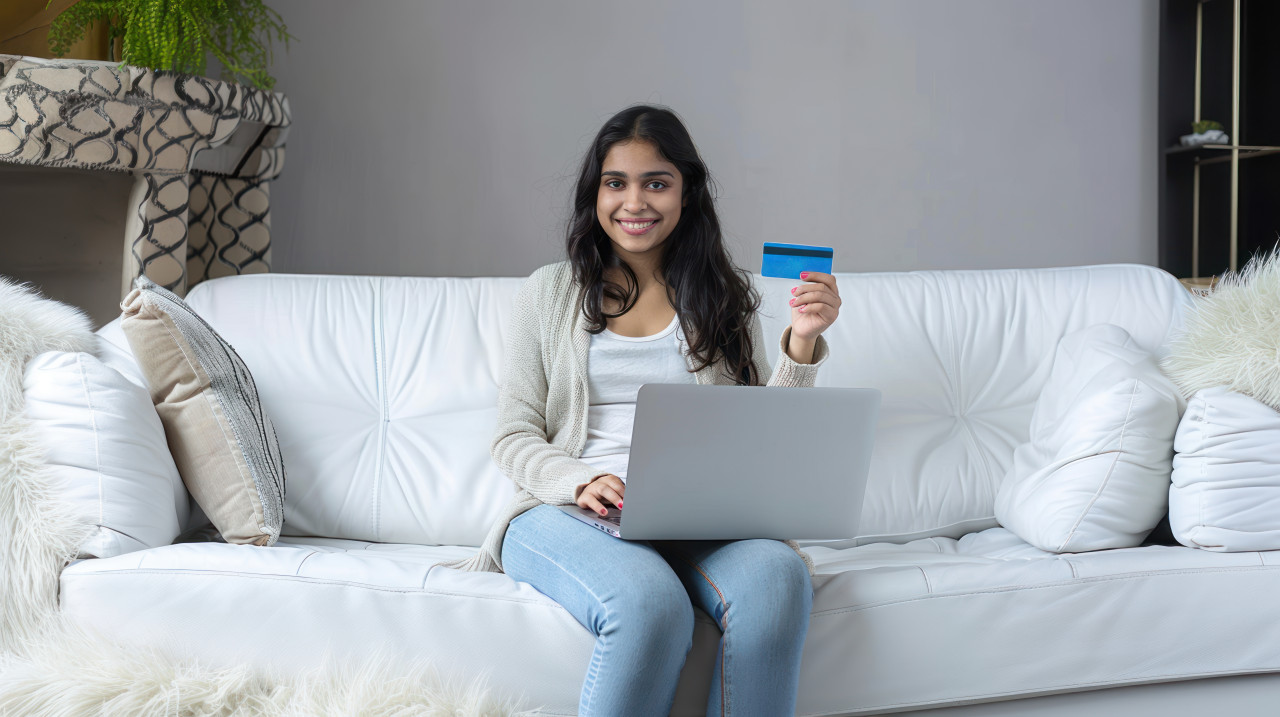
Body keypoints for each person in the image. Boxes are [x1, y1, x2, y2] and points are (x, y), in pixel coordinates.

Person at [435, 104, 841, 716]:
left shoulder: (722, 294)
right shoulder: (550, 291)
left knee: (779, 578)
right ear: (594, 194)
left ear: (685, 192)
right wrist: (581, 479)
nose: (635, 202)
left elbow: (763, 435)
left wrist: (803, 340)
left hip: (699, 517)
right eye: (615, 183)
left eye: (656, 182)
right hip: (570, 510)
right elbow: (513, 435)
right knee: (652, 605)